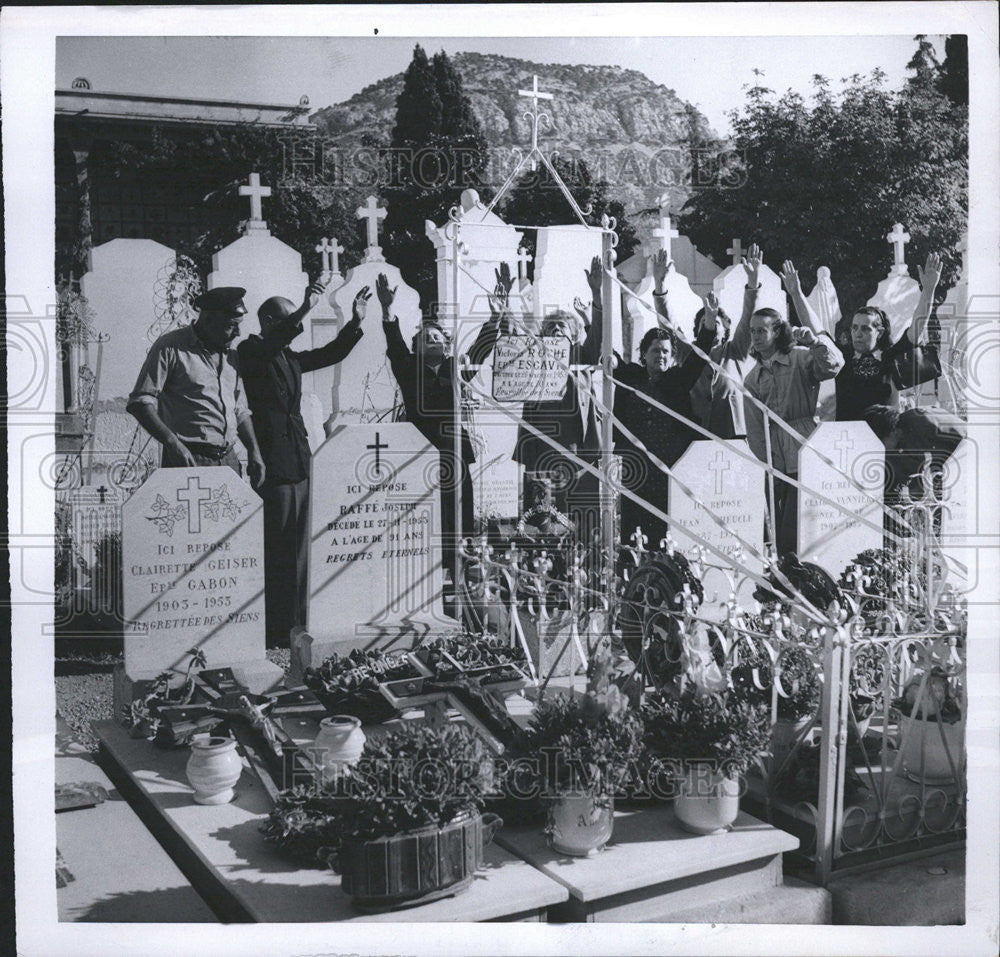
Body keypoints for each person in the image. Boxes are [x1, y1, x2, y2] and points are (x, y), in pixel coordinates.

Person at [236, 281, 367, 648]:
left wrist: (355, 323)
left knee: (302, 545)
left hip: (299, 456)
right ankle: (276, 626)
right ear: (266, 321)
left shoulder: (289, 358)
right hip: (273, 462)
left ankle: (298, 620)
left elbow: (329, 355)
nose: (293, 325)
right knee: (278, 544)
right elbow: (271, 346)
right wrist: (304, 311)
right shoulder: (250, 350)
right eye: (286, 318)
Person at [376, 269, 506, 583]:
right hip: (421, 451)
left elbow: (479, 350)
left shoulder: (456, 367)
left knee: (458, 510)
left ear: (446, 345)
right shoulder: (408, 370)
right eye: (426, 338)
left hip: (455, 450)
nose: (433, 340)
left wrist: (496, 317)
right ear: (417, 347)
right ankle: (427, 573)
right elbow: (394, 345)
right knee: (428, 513)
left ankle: (460, 568)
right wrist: (386, 309)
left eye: (437, 337)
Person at [127, 286, 264, 486]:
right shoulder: (170, 347)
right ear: (208, 320)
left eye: (239, 325)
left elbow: (240, 409)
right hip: (188, 460)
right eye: (230, 325)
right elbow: (140, 402)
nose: (238, 333)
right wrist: (172, 443)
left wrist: (254, 451)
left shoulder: (231, 356)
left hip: (228, 461)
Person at [782, 253, 943, 422]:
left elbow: (918, 324)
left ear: (879, 332)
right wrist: (796, 293)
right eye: (855, 328)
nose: (857, 333)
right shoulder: (841, 356)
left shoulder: (891, 356)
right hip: (848, 439)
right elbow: (817, 329)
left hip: (885, 438)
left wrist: (929, 289)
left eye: (865, 329)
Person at [613, 293, 719, 549]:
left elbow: (699, 354)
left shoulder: (678, 381)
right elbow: (611, 358)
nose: (660, 355)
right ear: (643, 354)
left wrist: (711, 320)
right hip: (636, 467)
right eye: (655, 350)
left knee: (666, 526)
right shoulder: (630, 377)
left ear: (672, 356)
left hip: (670, 465)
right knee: (633, 526)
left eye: (665, 351)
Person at [514, 255, 604, 544]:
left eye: (562, 328)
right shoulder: (534, 359)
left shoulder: (581, 357)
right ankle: (545, 574)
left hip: (579, 452)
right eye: (551, 329)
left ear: (574, 337)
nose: (556, 332)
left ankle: (584, 571)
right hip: (543, 452)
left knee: (582, 521)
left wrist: (596, 294)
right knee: (544, 524)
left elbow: (596, 341)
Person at [742, 306, 844, 555]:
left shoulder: (800, 357)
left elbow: (834, 366)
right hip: (774, 451)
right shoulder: (751, 379)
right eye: (753, 331)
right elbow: (754, 429)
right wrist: (767, 462)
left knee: (801, 518)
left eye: (762, 330)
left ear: (777, 332)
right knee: (776, 522)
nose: (756, 336)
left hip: (804, 443)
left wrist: (815, 343)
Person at [651, 245, 760, 437]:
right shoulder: (688, 353)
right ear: (698, 329)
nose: (710, 324)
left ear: (726, 329)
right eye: (705, 321)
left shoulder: (736, 351)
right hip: (696, 429)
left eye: (716, 322)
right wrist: (660, 286)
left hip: (732, 432)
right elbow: (669, 325)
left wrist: (752, 282)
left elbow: (747, 317)